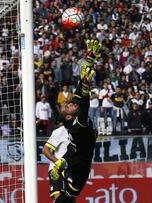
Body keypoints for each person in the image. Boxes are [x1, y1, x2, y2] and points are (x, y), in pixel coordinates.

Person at [49, 39, 101, 202]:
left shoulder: (75, 113)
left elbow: (82, 84)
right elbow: (85, 98)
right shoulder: (79, 123)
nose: (69, 104)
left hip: (75, 161)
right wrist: (60, 162)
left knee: (67, 199)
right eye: (67, 107)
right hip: (78, 165)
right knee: (64, 199)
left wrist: (90, 59)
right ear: (69, 117)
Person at [42, 124, 70, 200]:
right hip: (57, 170)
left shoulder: (79, 132)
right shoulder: (59, 132)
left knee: (70, 199)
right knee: (60, 198)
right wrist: (58, 163)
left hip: (70, 171)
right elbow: (45, 150)